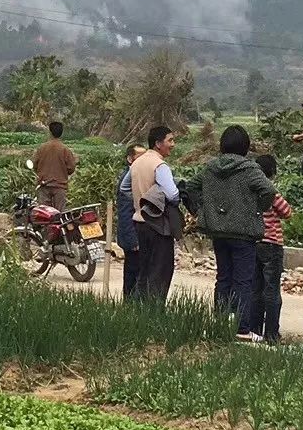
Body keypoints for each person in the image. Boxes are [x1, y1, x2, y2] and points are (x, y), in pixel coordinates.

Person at [181, 126, 275, 335]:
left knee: (223, 277)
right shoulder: (250, 169)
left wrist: (201, 209)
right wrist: (259, 208)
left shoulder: (210, 168)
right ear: (245, 147)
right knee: (243, 280)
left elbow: (190, 187)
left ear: (222, 145)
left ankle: (220, 322)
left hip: (218, 232)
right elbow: (268, 190)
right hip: (243, 233)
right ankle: (241, 328)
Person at [130, 124, 181, 303]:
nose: (173, 144)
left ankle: (138, 312)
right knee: (160, 272)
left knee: (144, 271)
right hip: (157, 225)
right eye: (170, 140)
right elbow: (173, 195)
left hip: (139, 222)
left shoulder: (136, 163)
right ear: (158, 144)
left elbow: (124, 188)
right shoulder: (160, 165)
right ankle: (154, 313)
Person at [251, 152, 292, 343]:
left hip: (254, 243)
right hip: (272, 244)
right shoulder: (270, 191)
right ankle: (272, 333)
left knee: (255, 289)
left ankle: (254, 329)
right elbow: (287, 212)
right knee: (272, 290)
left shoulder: (250, 192)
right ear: (272, 173)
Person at [116, 145, 145, 299]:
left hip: (137, 234)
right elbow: (125, 212)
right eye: (139, 156)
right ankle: (129, 306)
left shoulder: (138, 176)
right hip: (132, 236)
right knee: (132, 272)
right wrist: (133, 239)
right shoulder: (128, 180)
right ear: (130, 159)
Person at [33, 119, 77, 211]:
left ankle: (45, 226)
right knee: (60, 213)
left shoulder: (42, 148)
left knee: (44, 214)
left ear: (50, 132)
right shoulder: (65, 149)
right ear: (61, 133)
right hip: (59, 186)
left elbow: (35, 165)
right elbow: (71, 167)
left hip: (44, 185)